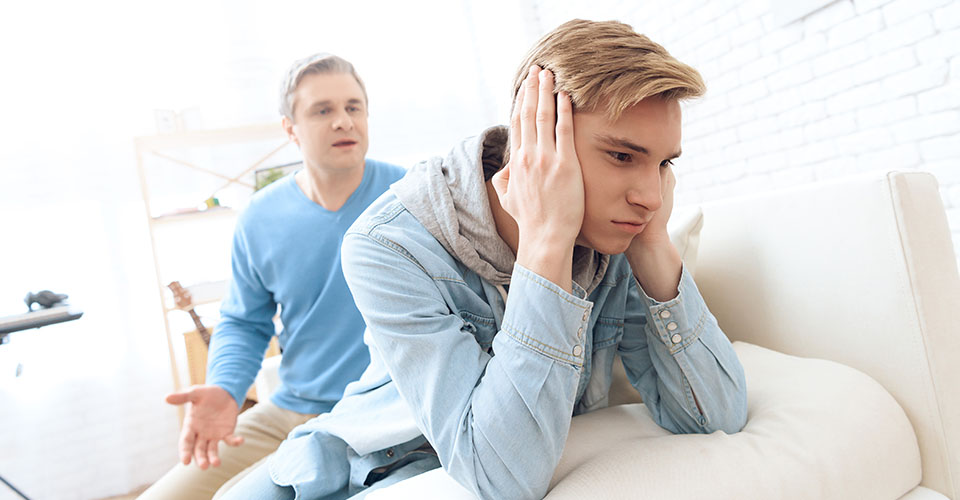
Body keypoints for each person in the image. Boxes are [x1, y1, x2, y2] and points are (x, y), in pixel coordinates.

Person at [220, 19, 748, 500]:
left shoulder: (617, 237)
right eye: (622, 156)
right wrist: (547, 243)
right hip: (355, 460)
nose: (650, 196)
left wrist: (653, 244)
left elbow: (716, 416)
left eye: (663, 164)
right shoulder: (389, 243)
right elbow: (499, 475)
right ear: (535, 142)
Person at [139, 53, 406, 500]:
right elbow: (244, 321)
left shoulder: (409, 195)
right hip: (290, 409)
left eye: (353, 107)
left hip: (381, 413)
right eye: (323, 110)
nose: (343, 121)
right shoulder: (260, 216)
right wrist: (226, 390)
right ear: (290, 129)